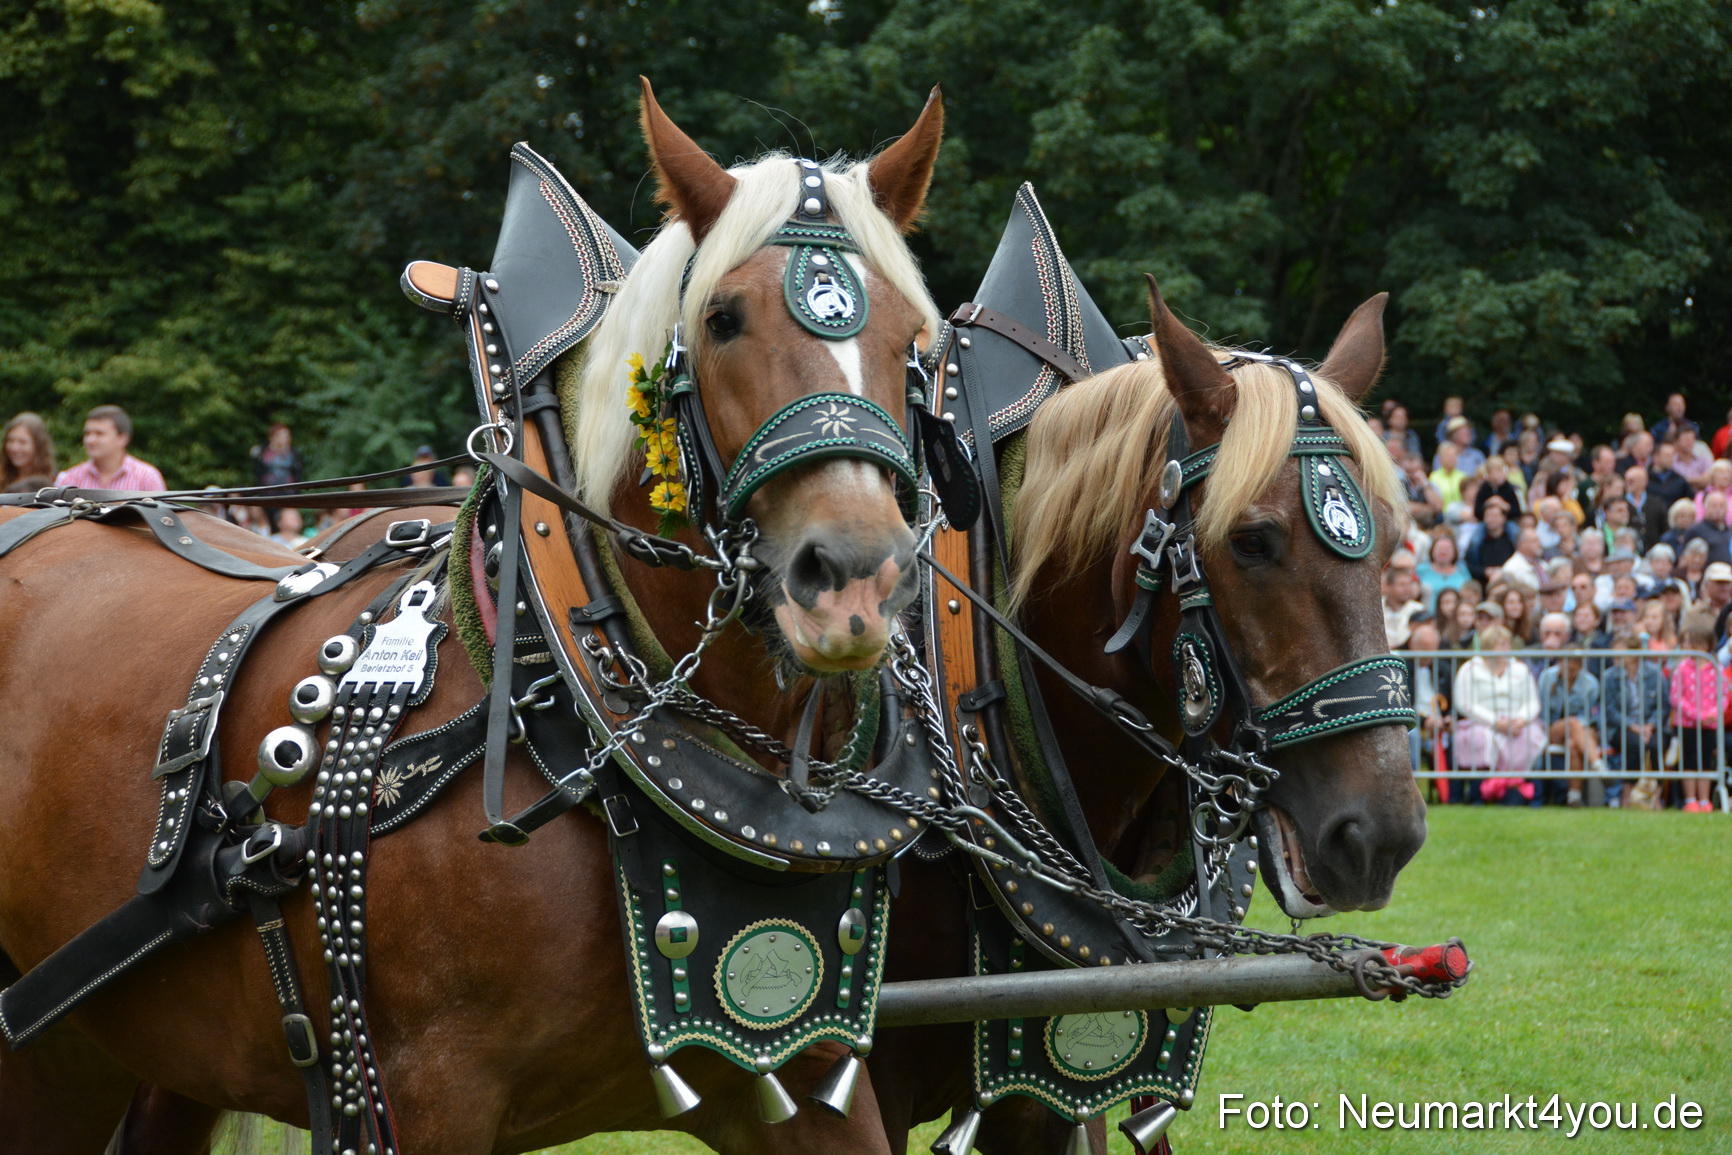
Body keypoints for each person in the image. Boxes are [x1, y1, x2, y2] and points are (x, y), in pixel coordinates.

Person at [1452, 624, 1543, 804]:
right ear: (1487, 646)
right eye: (1499, 644)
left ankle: (1530, 796)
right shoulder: (1469, 669)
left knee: (1532, 737)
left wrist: (1520, 720)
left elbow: (1532, 701)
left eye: (1506, 644)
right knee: (1479, 738)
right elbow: (1465, 703)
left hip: (1516, 723)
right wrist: (1495, 722)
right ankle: (1479, 795)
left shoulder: (1520, 668)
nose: (1505, 648)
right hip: (1481, 722)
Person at [1535, 612, 1609, 807]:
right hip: (1551, 729)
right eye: (1566, 662)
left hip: (1581, 731)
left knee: (1574, 744)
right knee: (1572, 723)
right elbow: (1542, 713)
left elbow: (1590, 716)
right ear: (1560, 661)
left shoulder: (1590, 683)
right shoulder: (1547, 677)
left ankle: (1573, 797)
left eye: (1575, 664)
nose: (1570, 667)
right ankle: (1599, 767)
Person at [1667, 611, 1727, 812]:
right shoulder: (1682, 668)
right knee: (1690, 762)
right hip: (1687, 724)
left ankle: (1704, 800)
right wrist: (1697, 715)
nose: (1686, 646)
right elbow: (1676, 698)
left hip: (1710, 724)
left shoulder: (1716, 669)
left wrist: (1715, 712)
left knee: (1706, 762)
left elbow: (1724, 695)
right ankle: (1690, 800)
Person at [52, 405, 166, 491]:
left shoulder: (146, 477)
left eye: (99, 433)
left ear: (122, 438)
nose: (90, 440)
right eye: (87, 434)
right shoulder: (70, 479)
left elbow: (161, 520)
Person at [251, 423, 304, 532]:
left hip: (289, 494)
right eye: (282, 435)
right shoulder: (262, 453)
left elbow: (298, 474)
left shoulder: (293, 453)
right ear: (273, 436)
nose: (285, 438)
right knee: (271, 524)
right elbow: (258, 474)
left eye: (287, 435)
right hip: (268, 495)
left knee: (289, 521)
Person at [1466, 498, 1516, 583]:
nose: (1491, 519)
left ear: (1504, 518)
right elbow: (1469, 566)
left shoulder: (1512, 540)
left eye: (1495, 516)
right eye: (1488, 516)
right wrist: (1485, 571)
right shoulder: (1477, 543)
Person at [1, 412, 56, 491]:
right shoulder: (2, 478)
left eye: (22, 442)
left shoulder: (56, 480)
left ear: (38, 445)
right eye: (10, 440)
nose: (14, 448)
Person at [1683, 490, 1732, 565]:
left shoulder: (1729, 531)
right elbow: (1684, 558)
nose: (1718, 510)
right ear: (1706, 508)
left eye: (1721, 506)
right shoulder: (1696, 530)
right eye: (1714, 506)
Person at [1416, 533, 1468, 600]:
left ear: (1454, 552)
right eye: (1440, 548)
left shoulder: (1462, 571)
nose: (1443, 551)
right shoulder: (1420, 570)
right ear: (1432, 550)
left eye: (1447, 548)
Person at [1401, 453, 1441, 527]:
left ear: (1422, 468)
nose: (1412, 474)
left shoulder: (1430, 484)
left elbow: (1438, 507)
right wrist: (1428, 508)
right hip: (1407, 524)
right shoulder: (1401, 484)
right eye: (1409, 471)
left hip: (1429, 524)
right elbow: (1402, 507)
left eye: (1415, 470)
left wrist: (1425, 485)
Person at [1429, 441, 1468, 508]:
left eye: (1454, 455)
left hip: (1462, 513)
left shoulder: (1463, 476)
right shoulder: (1434, 477)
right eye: (1447, 456)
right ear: (1440, 458)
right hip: (1441, 515)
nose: (1451, 458)